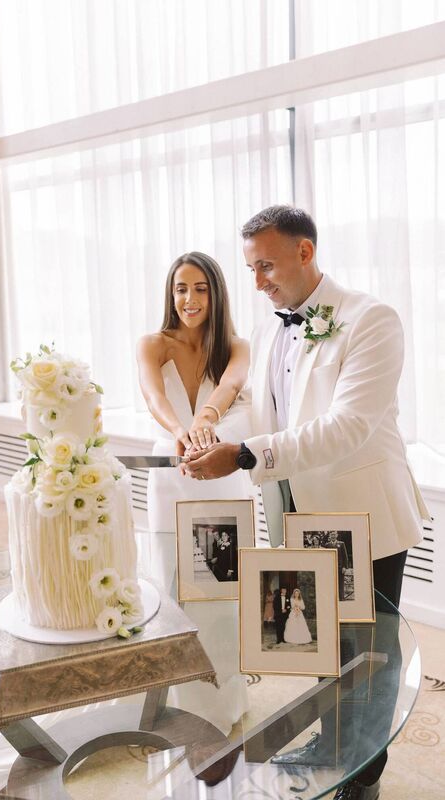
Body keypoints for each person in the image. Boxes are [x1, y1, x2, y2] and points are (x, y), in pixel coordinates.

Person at [183, 205, 430, 800]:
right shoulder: (271, 325)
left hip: (361, 515)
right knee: (319, 641)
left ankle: (363, 775)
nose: (258, 280)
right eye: (251, 267)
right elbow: (271, 411)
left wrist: (245, 455)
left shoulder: (371, 319)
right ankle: (330, 746)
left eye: (266, 264)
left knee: (366, 654)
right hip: (293, 512)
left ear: (304, 252)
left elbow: (347, 426)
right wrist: (208, 431)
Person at [136, 251, 253, 735]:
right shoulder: (153, 343)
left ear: (216, 293)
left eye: (200, 288)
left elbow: (230, 385)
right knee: (173, 586)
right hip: (170, 477)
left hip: (224, 478)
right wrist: (181, 429)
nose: (189, 298)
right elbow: (153, 395)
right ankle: (181, 705)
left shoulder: (236, 345)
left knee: (223, 593)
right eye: (181, 288)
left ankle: (226, 698)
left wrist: (206, 419)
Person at [322, 531, 350, 601]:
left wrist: (344, 567)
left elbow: (345, 556)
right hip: (330, 567)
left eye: (334, 535)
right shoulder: (327, 545)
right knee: (330, 583)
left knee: (340, 583)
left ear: (337, 535)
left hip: (340, 567)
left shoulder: (341, 544)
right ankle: (331, 599)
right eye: (331, 535)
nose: (333, 536)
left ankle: (341, 598)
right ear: (330, 536)